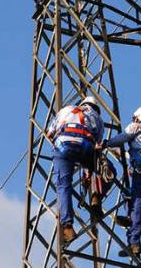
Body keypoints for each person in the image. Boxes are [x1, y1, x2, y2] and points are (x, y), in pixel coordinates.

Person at [97, 106, 141, 258]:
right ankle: (130, 218)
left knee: (138, 203)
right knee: (131, 196)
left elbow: (123, 138)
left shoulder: (136, 127)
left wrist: (107, 143)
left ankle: (134, 242)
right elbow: (140, 152)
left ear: (137, 117)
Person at [45, 96, 105, 244]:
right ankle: (95, 195)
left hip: (64, 145)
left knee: (63, 185)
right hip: (85, 146)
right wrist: (88, 171)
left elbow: (49, 133)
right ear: (96, 108)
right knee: (97, 162)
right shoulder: (97, 118)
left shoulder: (66, 110)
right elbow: (97, 144)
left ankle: (68, 227)